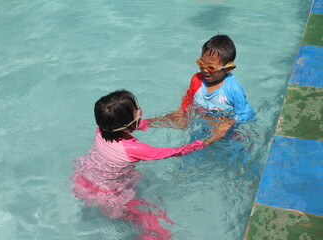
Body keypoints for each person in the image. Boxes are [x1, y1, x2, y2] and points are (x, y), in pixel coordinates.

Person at [72, 90, 235, 239]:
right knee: (157, 229)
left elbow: (134, 126)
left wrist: (164, 120)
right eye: (136, 108)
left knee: (137, 179)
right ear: (128, 125)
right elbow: (175, 152)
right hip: (111, 196)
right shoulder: (135, 149)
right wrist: (212, 138)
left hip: (86, 180)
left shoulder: (102, 128)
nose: (139, 108)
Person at [154, 35, 254, 128]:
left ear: (228, 69)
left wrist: (228, 124)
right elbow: (189, 97)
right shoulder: (196, 79)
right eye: (201, 63)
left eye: (211, 67)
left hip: (223, 126)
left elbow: (247, 113)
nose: (204, 70)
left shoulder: (233, 89)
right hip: (200, 122)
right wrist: (182, 111)